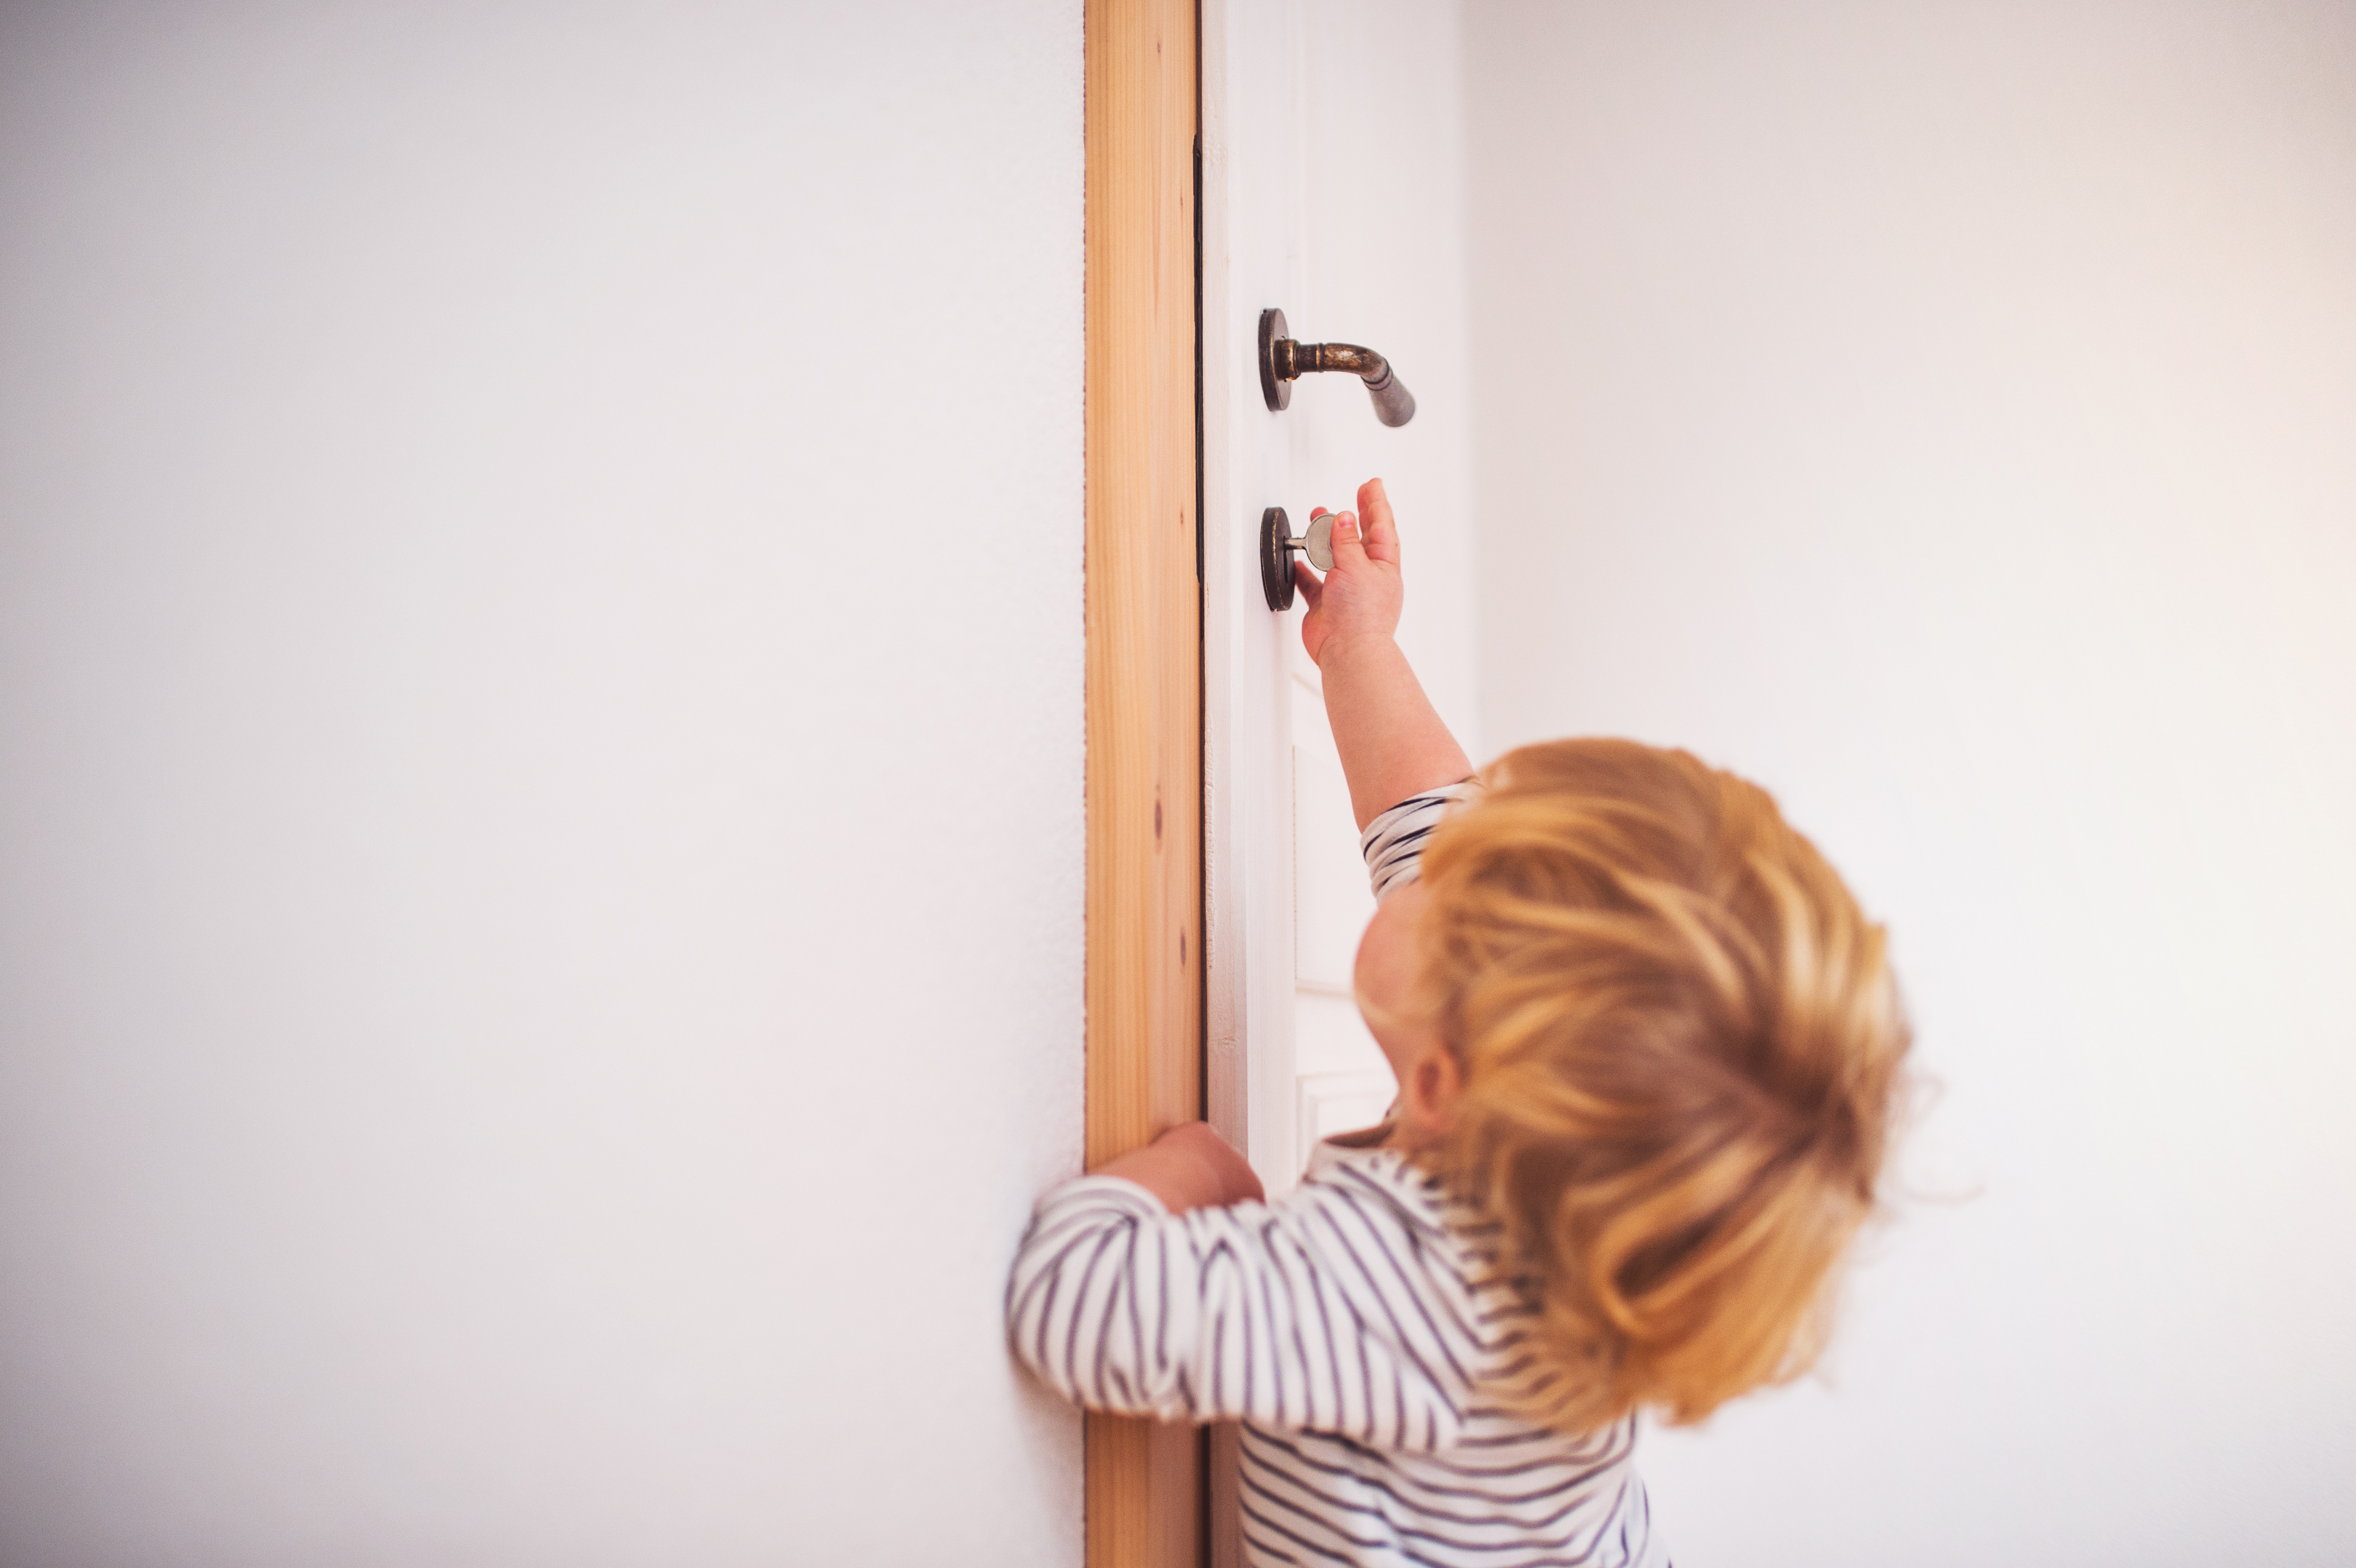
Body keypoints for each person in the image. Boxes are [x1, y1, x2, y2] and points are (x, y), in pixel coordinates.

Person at [1007, 479, 1912, 1567]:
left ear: (1439, 1082)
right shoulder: (1534, 1175)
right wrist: (1359, 647)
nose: (1450, 850)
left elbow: (1070, 1298)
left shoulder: (1397, 1288)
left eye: (1470, 882)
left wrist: (1205, 1174)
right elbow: (1427, 820)